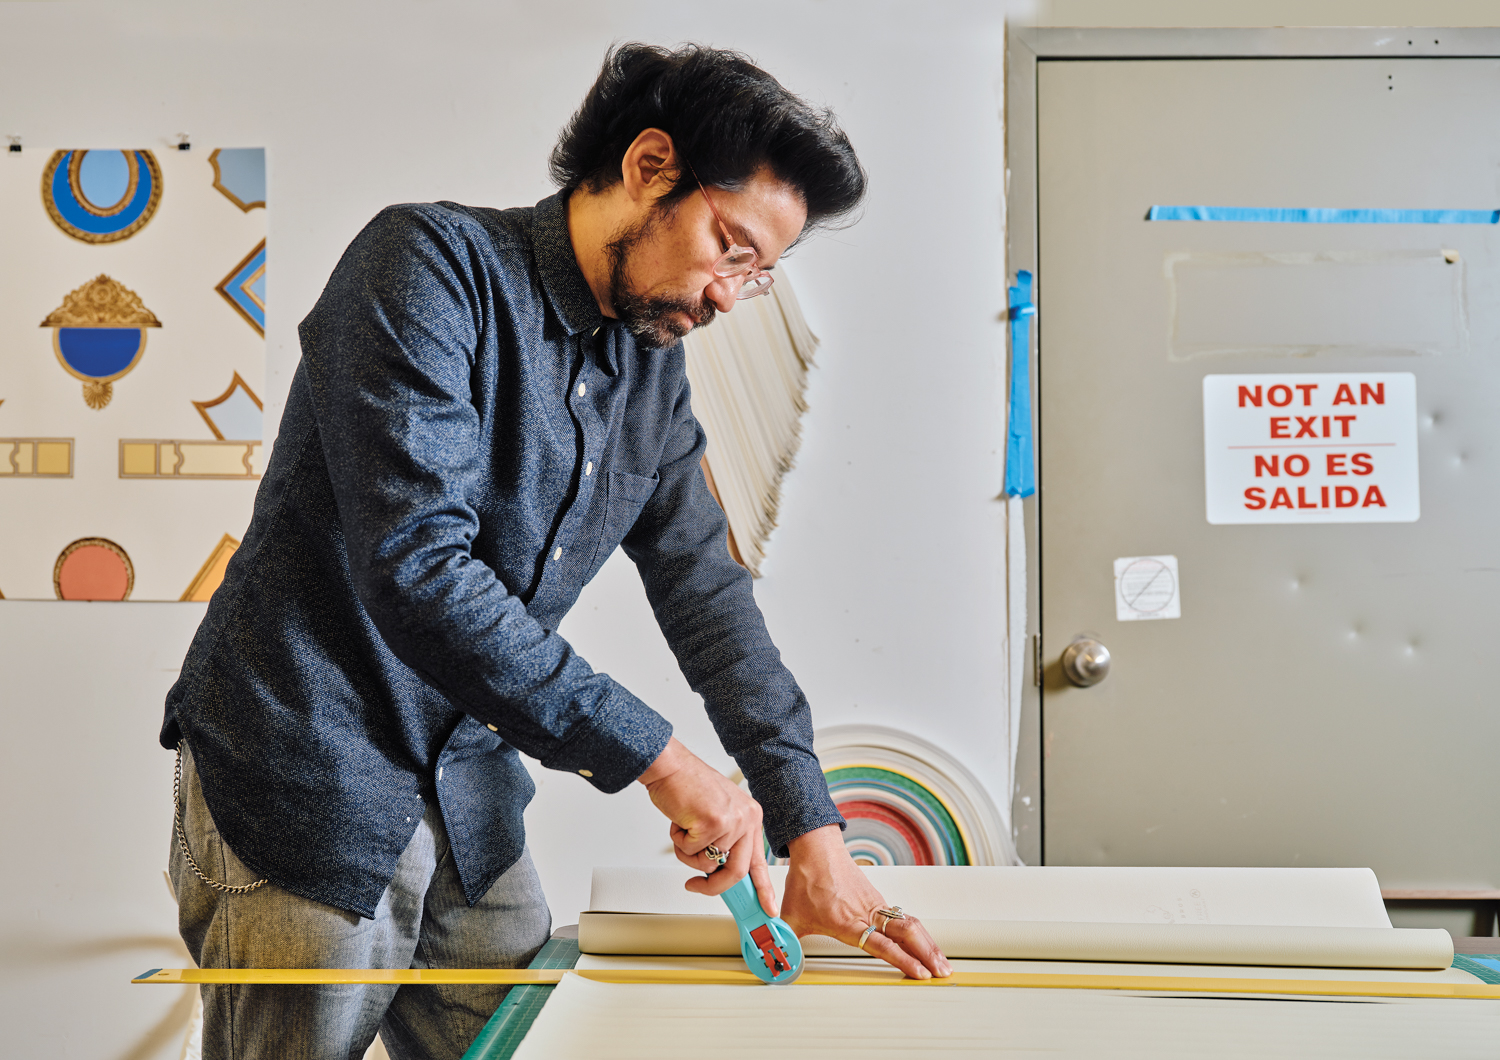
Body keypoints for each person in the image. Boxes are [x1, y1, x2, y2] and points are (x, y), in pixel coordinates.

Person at [162, 42, 949, 1060]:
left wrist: (815, 832)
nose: (727, 296)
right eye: (730, 247)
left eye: (759, 277)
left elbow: (709, 595)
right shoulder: (423, 268)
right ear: (650, 165)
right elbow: (421, 570)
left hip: (475, 803)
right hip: (305, 779)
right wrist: (661, 760)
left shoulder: (650, 374)